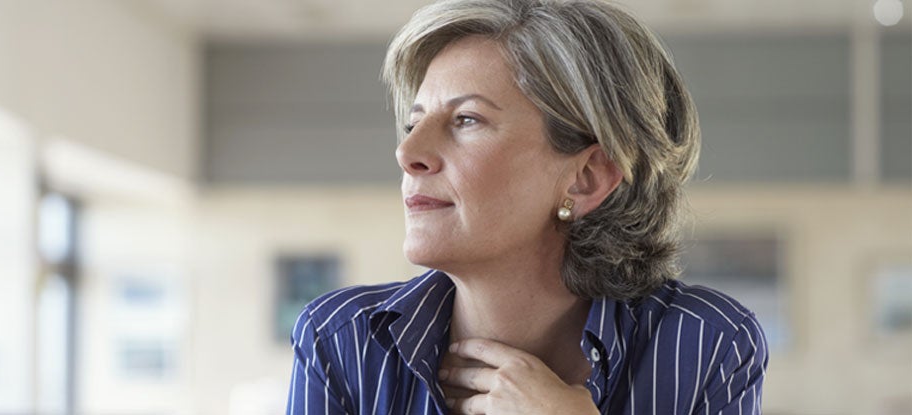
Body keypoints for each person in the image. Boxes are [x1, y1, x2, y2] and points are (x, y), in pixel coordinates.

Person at [286, 0, 768, 413]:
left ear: (586, 178)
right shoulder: (341, 341)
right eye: (414, 124)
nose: (407, 153)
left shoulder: (708, 344)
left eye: (466, 120)